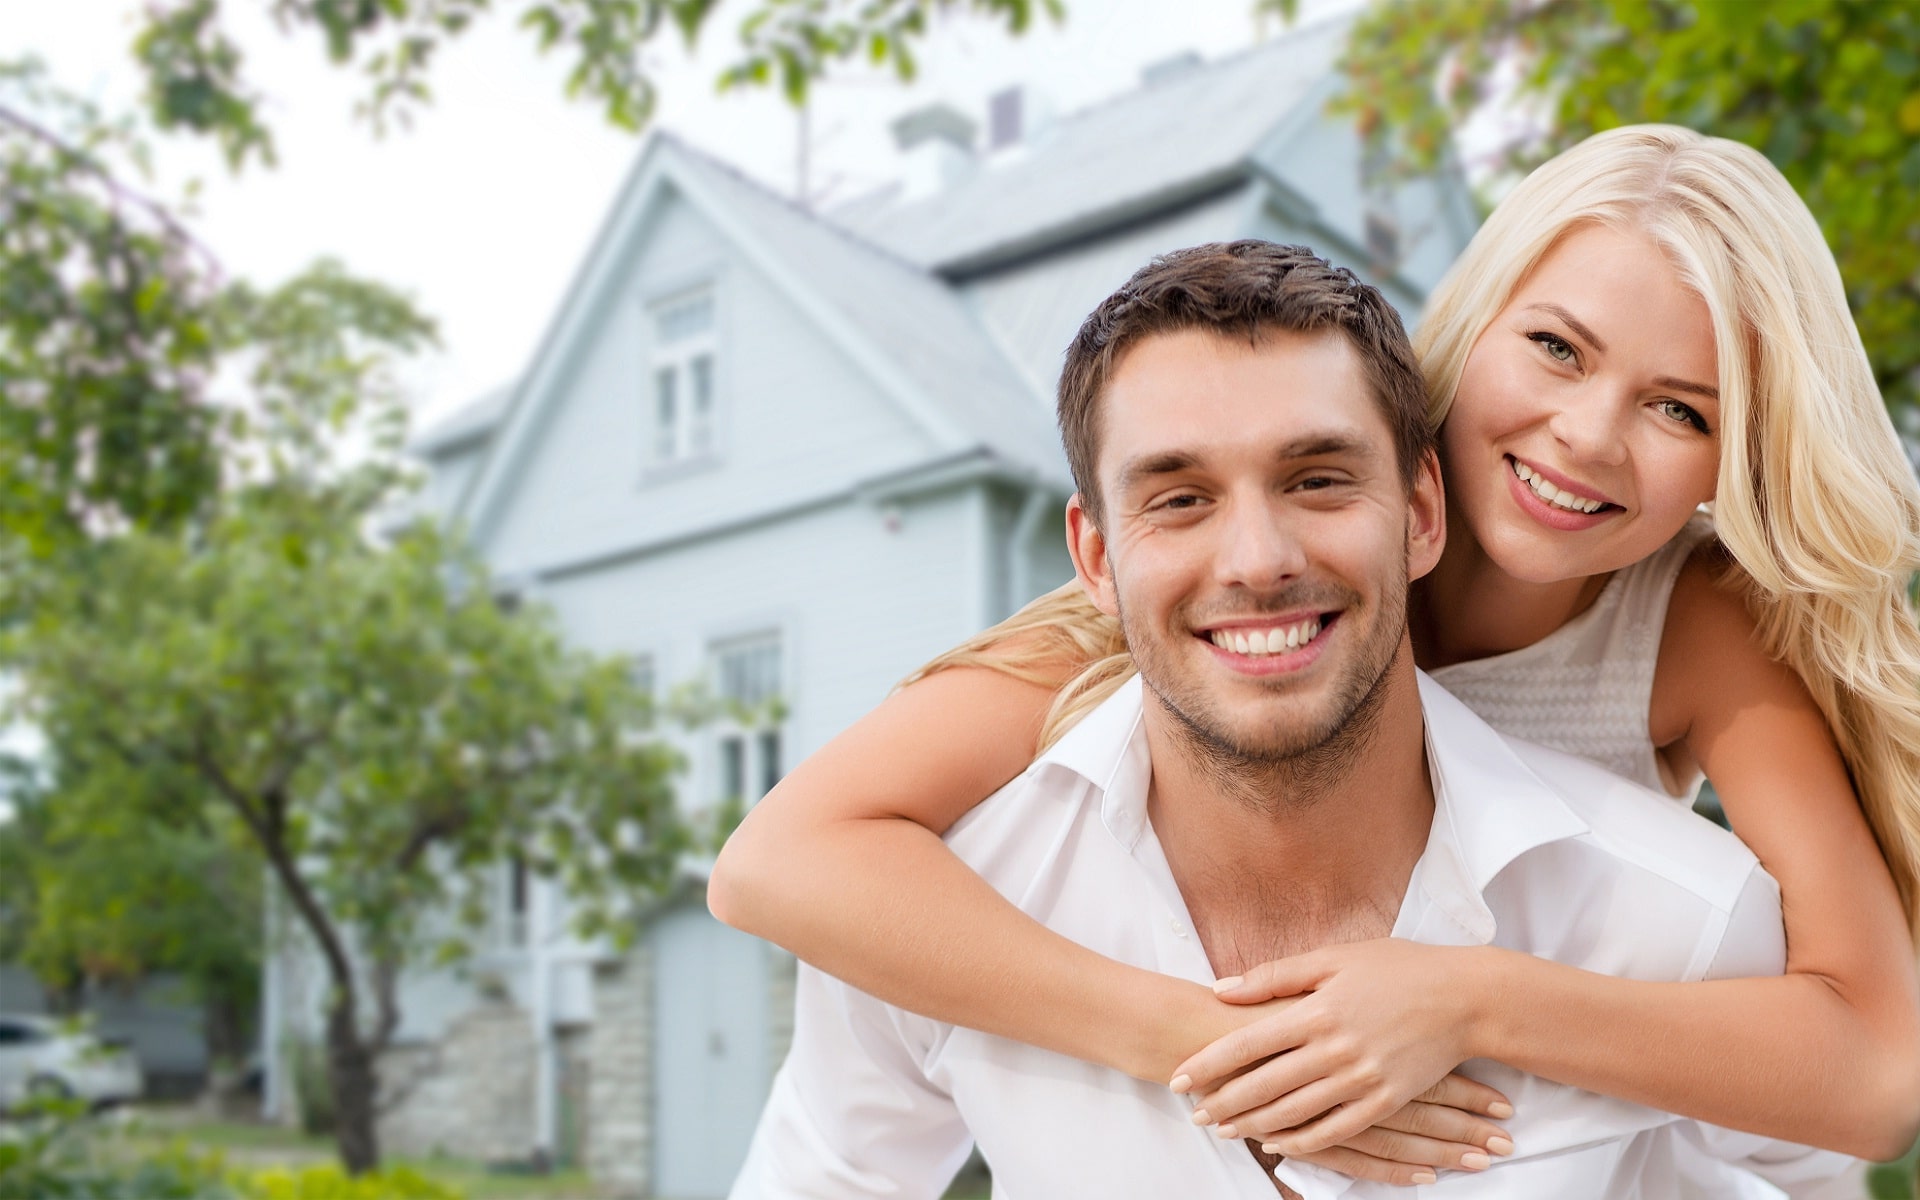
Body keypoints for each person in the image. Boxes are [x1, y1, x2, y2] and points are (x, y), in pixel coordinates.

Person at [711, 126, 1920, 1180]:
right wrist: (1206, 1044)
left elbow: (1872, 1071)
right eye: (1556, 347)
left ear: (1735, 462)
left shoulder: (1694, 625)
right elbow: (778, 861)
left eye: (1682, 411)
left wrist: (1466, 998)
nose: (1589, 435)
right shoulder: (1204, 601)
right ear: (1476, 322)